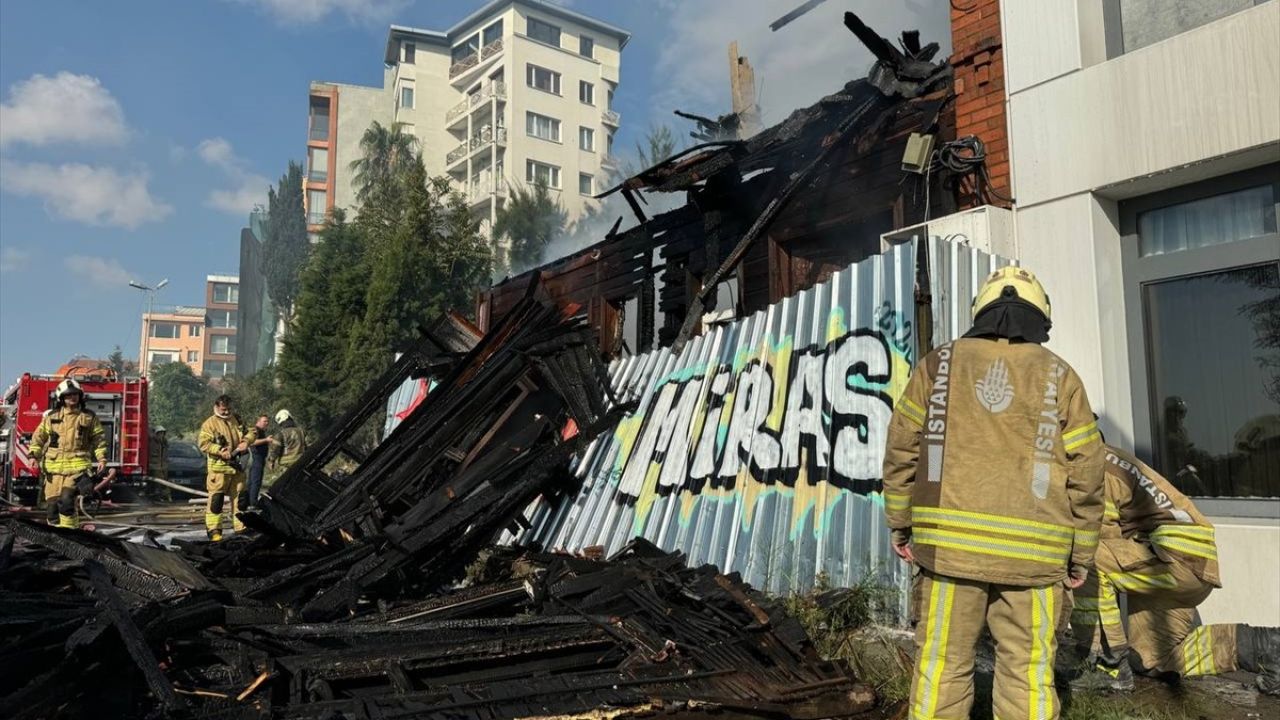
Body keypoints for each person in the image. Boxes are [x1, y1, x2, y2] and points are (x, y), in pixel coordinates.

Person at [883, 266, 1105, 720]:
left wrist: (900, 523)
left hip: (948, 554)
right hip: (1037, 560)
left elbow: (902, 446)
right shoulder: (1061, 376)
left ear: (979, 311)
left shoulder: (938, 364)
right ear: (1040, 316)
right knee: (1027, 673)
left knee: (941, 665)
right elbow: (1088, 470)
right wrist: (1081, 553)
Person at [1070, 442, 1280, 694]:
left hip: (1175, 555)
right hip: (1191, 560)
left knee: (1083, 556)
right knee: (1152, 659)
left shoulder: (1092, 466)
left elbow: (1098, 546)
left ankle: (1106, 667)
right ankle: (1266, 647)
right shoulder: (1107, 458)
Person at [28, 379, 108, 528]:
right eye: (69, 395)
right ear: (62, 398)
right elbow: (38, 438)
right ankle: (55, 536)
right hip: (54, 471)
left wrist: (102, 459)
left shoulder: (89, 417)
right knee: (52, 508)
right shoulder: (51, 417)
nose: (72, 397)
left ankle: (70, 534)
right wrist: (33, 456)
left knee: (66, 501)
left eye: (75, 394)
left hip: (77, 470)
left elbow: (99, 440)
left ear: (80, 396)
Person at [196, 395, 258, 541]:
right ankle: (214, 531)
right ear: (216, 407)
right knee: (216, 502)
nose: (226, 412)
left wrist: (247, 441)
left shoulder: (237, 419)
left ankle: (241, 528)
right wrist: (219, 450)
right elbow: (203, 443)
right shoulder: (209, 424)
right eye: (223, 409)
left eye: (229, 409)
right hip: (219, 470)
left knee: (241, 501)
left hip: (237, 469)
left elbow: (252, 432)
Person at [268, 409, 307, 476]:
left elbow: (275, 450)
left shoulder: (280, 434)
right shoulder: (302, 431)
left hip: (286, 465)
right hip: (302, 461)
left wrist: (271, 461)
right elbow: (306, 446)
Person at [245, 415, 272, 508]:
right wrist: (266, 440)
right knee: (255, 481)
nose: (266, 423)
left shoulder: (261, 431)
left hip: (261, 458)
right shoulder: (255, 430)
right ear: (258, 421)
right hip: (256, 458)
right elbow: (252, 442)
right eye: (264, 421)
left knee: (254, 481)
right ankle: (252, 503)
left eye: (267, 421)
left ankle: (249, 501)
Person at [149, 425, 170, 501]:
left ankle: (165, 496)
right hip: (154, 466)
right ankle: (158, 496)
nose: (161, 435)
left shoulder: (164, 442)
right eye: (159, 433)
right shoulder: (152, 442)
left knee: (164, 481)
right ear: (156, 434)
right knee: (158, 483)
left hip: (163, 466)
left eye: (162, 433)